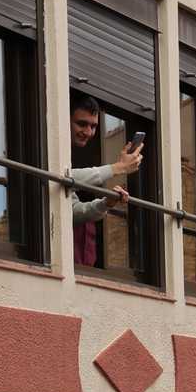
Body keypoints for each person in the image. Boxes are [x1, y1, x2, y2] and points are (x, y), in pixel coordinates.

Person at [67, 92, 142, 269]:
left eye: (93, 126)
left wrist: (106, 203)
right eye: (81, 124)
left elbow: (74, 212)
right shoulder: (49, 145)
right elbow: (65, 177)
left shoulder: (65, 152)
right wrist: (119, 167)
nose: (88, 132)